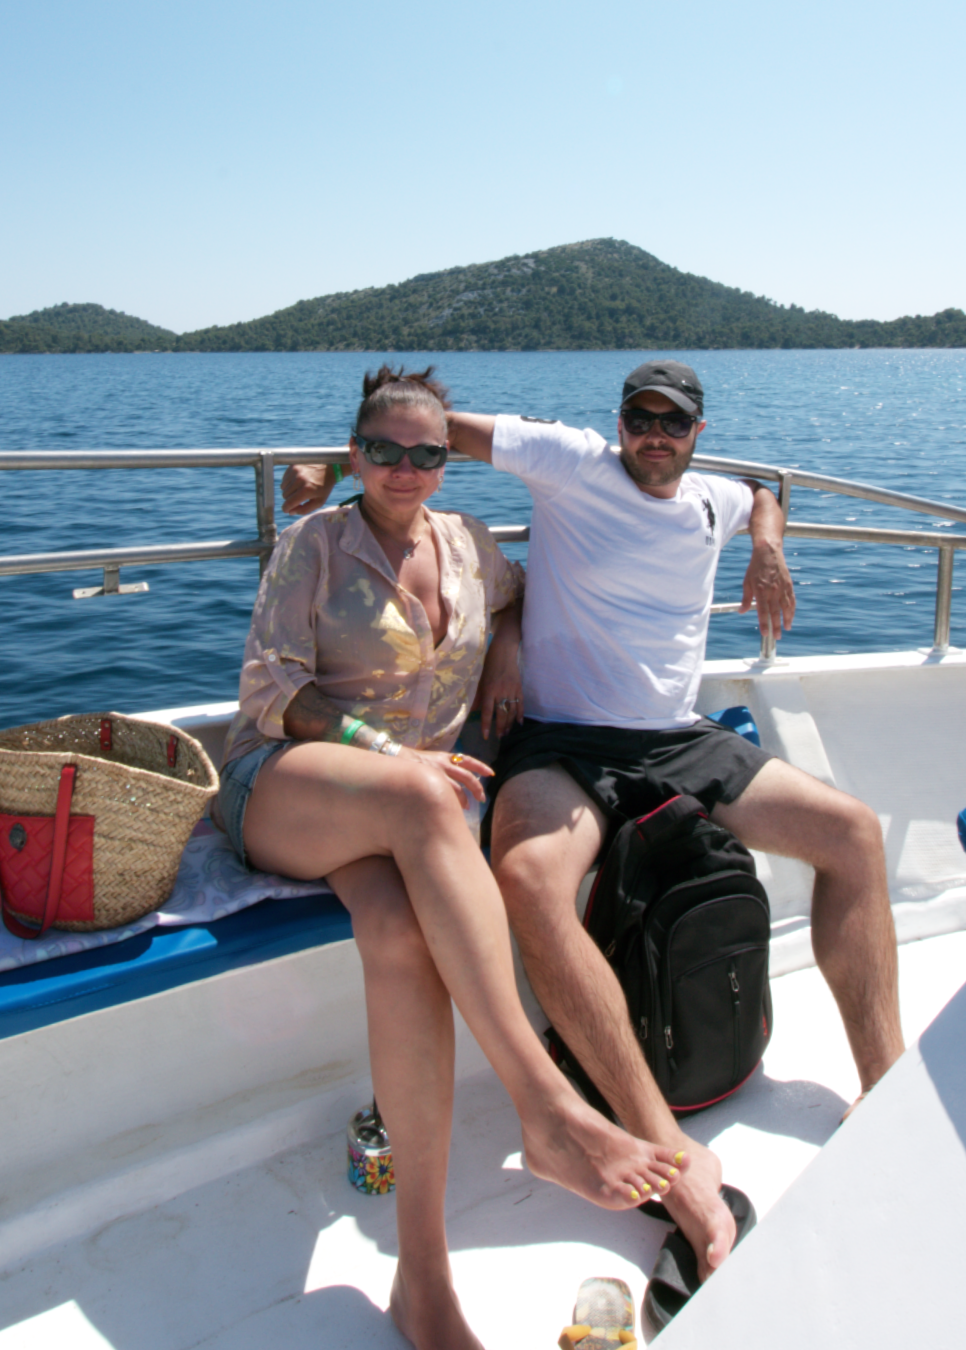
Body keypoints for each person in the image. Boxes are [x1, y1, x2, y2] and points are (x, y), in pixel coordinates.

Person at [282, 358, 905, 1291]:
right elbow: (428, 431)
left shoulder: (710, 500)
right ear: (617, 423)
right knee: (528, 879)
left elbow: (764, 492)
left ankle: (886, 1089)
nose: (655, 434)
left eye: (674, 422)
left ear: (696, 433)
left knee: (851, 832)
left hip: (679, 738)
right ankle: (659, 1145)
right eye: (639, 418)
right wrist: (327, 474)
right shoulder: (570, 462)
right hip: (564, 742)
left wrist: (767, 544)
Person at [217, 366, 685, 1350]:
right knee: (430, 792)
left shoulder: (470, 546)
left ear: (445, 462)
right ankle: (546, 1108)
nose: (404, 469)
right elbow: (275, 691)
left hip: (398, 821)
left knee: (398, 937)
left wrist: (506, 652)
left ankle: (420, 1285)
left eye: (426, 453)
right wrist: (392, 754)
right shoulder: (313, 545)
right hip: (289, 786)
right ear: (354, 456)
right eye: (382, 450)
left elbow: (514, 599)